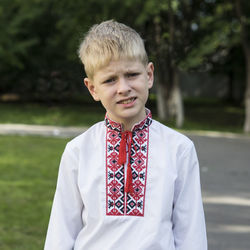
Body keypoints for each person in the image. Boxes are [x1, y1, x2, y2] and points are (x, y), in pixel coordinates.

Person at [44, 20, 207, 250]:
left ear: (149, 75)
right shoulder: (78, 151)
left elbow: (191, 233)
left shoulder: (179, 149)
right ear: (93, 89)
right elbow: (61, 232)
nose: (123, 88)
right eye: (110, 80)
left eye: (131, 74)